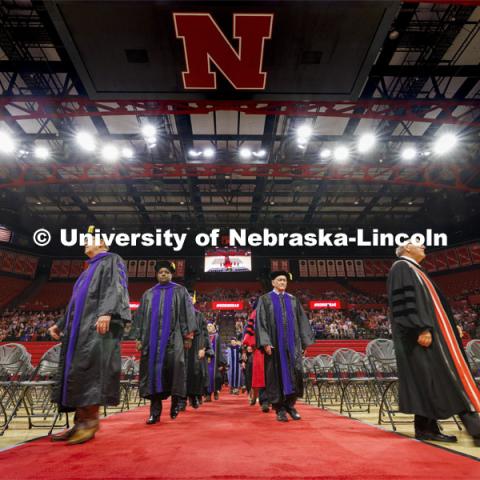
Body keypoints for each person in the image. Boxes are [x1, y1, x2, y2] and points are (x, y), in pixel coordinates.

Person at [387, 240, 480, 445]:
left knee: (429, 380)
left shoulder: (417, 270)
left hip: (430, 332)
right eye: (417, 244)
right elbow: (404, 303)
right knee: (432, 377)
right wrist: (420, 327)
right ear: (406, 249)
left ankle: (427, 428)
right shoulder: (401, 267)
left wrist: (449, 324)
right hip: (419, 335)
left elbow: (429, 304)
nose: (423, 247)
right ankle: (461, 428)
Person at [48, 226, 131, 445]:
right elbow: (75, 303)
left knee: (91, 372)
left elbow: (117, 287)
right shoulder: (87, 271)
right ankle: (78, 423)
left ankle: (90, 423)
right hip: (80, 330)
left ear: (103, 243)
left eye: (90, 239)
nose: (85, 242)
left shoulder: (112, 260)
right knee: (77, 372)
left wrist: (107, 312)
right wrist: (60, 324)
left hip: (97, 328)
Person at [134, 261, 196, 424]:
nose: (163, 274)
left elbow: (188, 314)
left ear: (171, 274)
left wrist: (188, 336)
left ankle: (176, 402)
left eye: (166, 272)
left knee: (176, 369)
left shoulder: (180, 291)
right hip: (152, 341)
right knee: (153, 374)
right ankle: (155, 412)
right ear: (156, 274)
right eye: (160, 272)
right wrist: (139, 337)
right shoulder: (148, 294)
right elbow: (140, 318)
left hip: (174, 339)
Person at [255, 271, 314, 422]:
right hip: (275, 345)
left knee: (294, 373)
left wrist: (304, 342)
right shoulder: (265, 299)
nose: (283, 282)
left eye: (285, 280)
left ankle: (291, 405)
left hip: (292, 345)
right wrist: (265, 342)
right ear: (273, 282)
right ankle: (279, 408)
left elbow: (302, 321)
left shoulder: (293, 300)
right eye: (280, 280)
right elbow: (261, 322)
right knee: (276, 375)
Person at [243, 308, 269, 412]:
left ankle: (271, 399)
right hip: (259, 348)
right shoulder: (256, 313)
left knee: (270, 375)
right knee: (260, 375)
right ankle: (263, 399)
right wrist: (249, 345)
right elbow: (249, 330)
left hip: (273, 347)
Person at [186, 291, 209, 409]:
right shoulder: (180, 314)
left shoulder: (199, 316)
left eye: (191, 299)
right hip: (183, 347)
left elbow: (205, 334)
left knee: (195, 372)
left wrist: (203, 348)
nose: (189, 301)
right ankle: (181, 400)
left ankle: (194, 396)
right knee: (182, 373)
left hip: (196, 347)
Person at [205, 322, 226, 401]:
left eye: (211, 326)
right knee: (207, 377)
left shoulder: (217, 337)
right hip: (207, 360)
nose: (209, 327)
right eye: (208, 326)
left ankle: (216, 392)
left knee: (216, 377)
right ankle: (208, 395)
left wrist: (221, 363)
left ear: (214, 327)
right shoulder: (205, 337)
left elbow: (221, 350)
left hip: (215, 361)